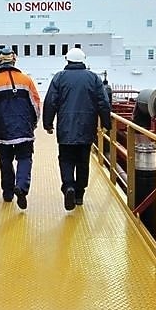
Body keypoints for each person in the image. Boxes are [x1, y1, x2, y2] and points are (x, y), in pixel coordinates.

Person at [42, 48, 111, 210]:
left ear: (67, 60)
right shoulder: (93, 78)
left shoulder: (59, 77)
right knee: (83, 161)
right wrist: (107, 124)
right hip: (87, 127)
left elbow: (50, 101)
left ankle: (68, 187)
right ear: (83, 60)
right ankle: (79, 194)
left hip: (65, 128)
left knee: (65, 159)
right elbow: (103, 102)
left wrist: (48, 124)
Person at [0, 45, 41, 209]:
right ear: (14, 60)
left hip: (2, 131)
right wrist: (34, 123)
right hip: (24, 129)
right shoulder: (26, 80)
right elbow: (36, 105)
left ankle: (8, 193)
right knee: (25, 159)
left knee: (5, 162)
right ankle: (21, 186)